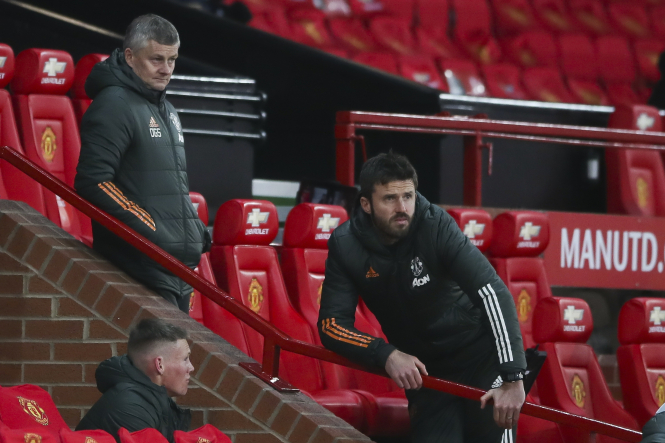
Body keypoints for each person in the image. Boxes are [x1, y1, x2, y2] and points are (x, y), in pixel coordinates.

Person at [318, 151, 526, 443]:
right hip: (426, 373)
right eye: (390, 199)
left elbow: (492, 292)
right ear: (366, 204)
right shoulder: (345, 245)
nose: (402, 208)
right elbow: (331, 325)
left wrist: (514, 377)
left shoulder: (436, 224)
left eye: (408, 196)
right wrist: (386, 354)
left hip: (479, 358)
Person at [75, 14, 210, 313]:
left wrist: (195, 228)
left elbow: (172, 183)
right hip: (140, 265)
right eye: (156, 59)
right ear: (130, 56)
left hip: (174, 268)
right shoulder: (114, 104)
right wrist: (153, 230)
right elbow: (93, 180)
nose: (166, 69)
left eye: (172, 60)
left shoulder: (167, 108)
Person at [76, 318, 194, 442]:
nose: (191, 367)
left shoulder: (150, 397)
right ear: (160, 365)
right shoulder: (130, 407)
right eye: (185, 359)